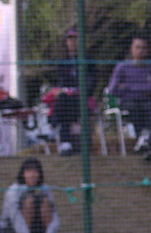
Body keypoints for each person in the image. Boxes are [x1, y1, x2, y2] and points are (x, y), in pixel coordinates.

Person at [45, 28, 97, 156]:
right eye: (70, 39)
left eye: (76, 39)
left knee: (64, 102)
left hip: (82, 100)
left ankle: (56, 130)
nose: (73, 42)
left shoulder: (88, 60)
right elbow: (62, 83)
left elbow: (91, 84)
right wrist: (65, 90)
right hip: (68, 100)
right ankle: (65, 143)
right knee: (63, 100)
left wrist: (75, 91)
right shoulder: (63, 62)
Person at [106, 36, 151, 154]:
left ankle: (144, 139)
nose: (140, 51)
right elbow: (113, 89)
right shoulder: (122, 67)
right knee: (134, 107)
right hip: (128, 101)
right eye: (137, 47)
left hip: (147, 100)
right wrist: (139, 88)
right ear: (131, 49)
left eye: (143, 48)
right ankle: (143, 139)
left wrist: (127, 87)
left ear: (148, 50)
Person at [0, 158, 59, 233]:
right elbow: (15, 219)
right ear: (23, 174)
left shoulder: (44, 188)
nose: (32, 175)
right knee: (29, 200)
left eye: (35, 171)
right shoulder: (13, 191)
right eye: (28, 171)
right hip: (13, 229)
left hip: (38, 226)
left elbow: (54, 214)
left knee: (45, 200)